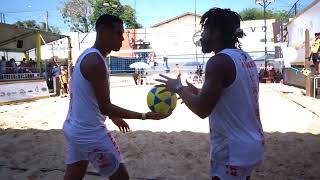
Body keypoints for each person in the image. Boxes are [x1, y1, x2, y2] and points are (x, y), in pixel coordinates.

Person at [156, 8, 264, 180]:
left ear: (216, 32)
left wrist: (178, 88)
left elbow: (202, 110)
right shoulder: (244, 56)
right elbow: (233, 96)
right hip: (251, 144)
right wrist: (199, 92)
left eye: (205, 29)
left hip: (232, 151)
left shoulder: (218, 61)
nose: (201, 36)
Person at [63, 14, 169, 180]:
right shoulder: (96, 62)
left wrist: (113, 116)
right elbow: (105, 105)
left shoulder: (88, 55)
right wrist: (144, 116)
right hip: (90, 132)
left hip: (73, 127)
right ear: (102, 31)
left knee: (75, 171)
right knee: (121, 178)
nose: (122, 38)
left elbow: (92, 98)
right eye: (118, 33)